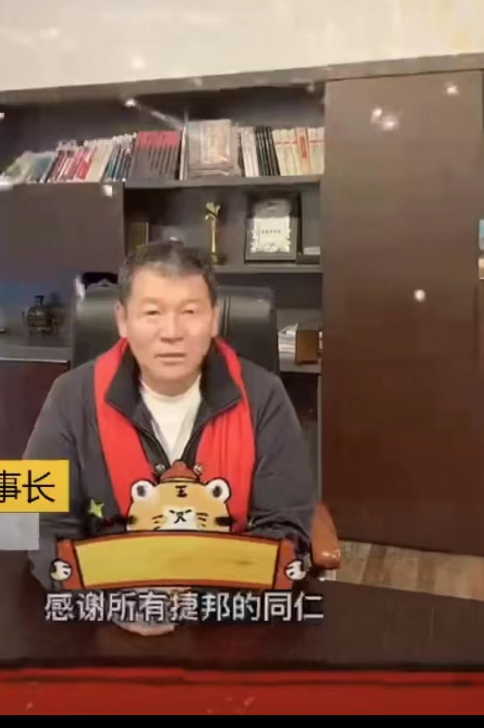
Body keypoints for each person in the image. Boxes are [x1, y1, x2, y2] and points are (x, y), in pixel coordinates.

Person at [23, 240, 316, 635]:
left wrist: (196, 598)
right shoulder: (72, 397)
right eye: (152, 313)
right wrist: (112, 598)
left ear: (214, 319)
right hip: (106, 619)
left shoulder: (263, 396)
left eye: (190, 312)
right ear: (122, 320)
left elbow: (286, 525)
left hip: (230, 619)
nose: (172, 333)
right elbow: (42, 524)